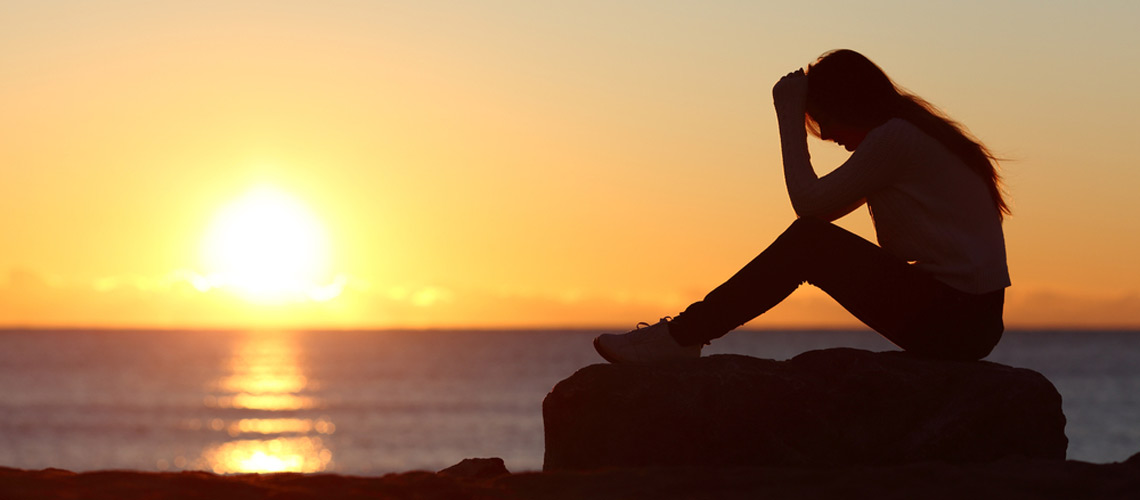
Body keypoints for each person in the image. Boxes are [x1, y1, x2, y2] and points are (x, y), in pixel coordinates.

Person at [594, 49, 1010, 363]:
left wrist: (788, 115)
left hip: (957, 320)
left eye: (823, 119)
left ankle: (681, 338)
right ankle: (684, 336)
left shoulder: (895, 139)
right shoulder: (911, 135)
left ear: (848, 103)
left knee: (809, 243)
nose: (825, 134)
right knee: (811, 241)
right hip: (968, 319)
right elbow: (820, 210)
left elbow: (809, 208)